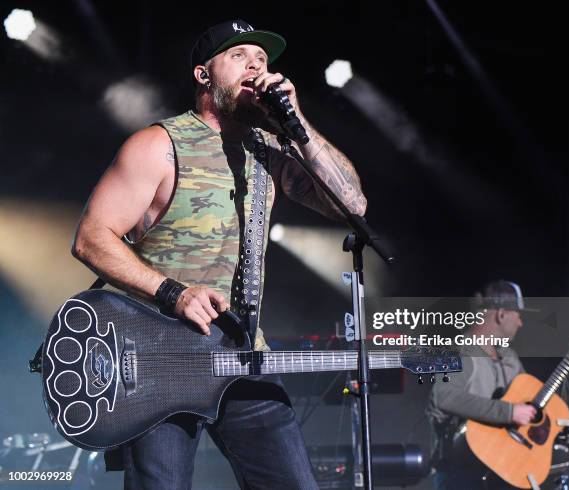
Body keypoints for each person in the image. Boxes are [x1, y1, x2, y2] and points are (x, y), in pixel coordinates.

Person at [72, 19, 366, 490]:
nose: (256, 64)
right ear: (203, 75)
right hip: (154, 363)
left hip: (243, 356)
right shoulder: (159, 145)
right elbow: (91, 237)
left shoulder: (269, 150)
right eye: (239, 55)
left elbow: (352, 206)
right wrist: (174, 293)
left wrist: (298, 120)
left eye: (263, 59)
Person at [426, 280, 569, 490]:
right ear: (501, 314)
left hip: (499, 473)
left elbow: (539, 405)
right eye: (518, 315)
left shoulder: (509, 358)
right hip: (461, 475)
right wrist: (509, 412)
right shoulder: (460, 351)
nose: (520, 323)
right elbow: (444, 396)